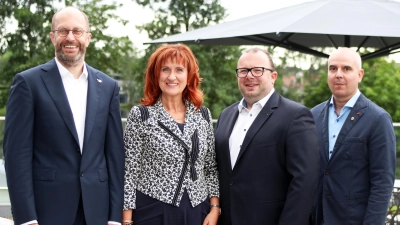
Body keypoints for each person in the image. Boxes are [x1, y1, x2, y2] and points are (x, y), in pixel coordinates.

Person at [3, 6, 125, 225]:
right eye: (63, 31)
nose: (70, 37)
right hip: (46, 211)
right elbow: (16, 156)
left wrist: (115, 217)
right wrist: (26, 217)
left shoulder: (108, 86)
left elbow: (114, 156)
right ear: (52, 37)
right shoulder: (28, 83)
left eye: (77, 31)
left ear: (88, 38)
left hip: (96, 212)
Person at [214, 47, 320, 225]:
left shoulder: (295, 115)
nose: (249, 76)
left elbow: (304, 182)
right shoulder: (226, 115)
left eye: (257, 70)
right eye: (243, 71)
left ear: (273, 76)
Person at [122, 43, 220, 225]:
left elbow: (210, 168)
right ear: (156, 75)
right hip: (153, 211)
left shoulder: (203, 115)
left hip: (197, 212)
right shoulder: (141, 115)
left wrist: (215, 208)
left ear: (189, 76)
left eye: (179, 70)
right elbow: (129, 172)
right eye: (165, 69)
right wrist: (127, 221)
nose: (171, 76)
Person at [310, 47, 396, 225]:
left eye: (346, 68)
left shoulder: (378, 119)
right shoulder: (313, 115)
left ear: (360, 75)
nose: (338, 74)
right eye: (333, 68)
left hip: (354, 219)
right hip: (317, 217)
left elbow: (382, 183)